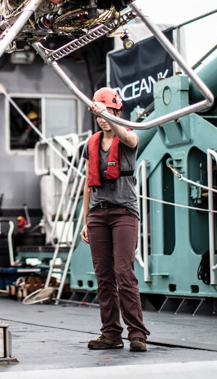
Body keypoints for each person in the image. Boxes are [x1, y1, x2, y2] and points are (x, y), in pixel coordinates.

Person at [79, 87, 149, 352]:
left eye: (107, 112)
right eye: (98, 114)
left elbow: (128, 138)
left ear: (118, 111)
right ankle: (110, 334)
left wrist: (111, 119)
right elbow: (88, 184)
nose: (101, 118)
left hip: (124, 213)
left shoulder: (130, 137)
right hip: (98, 213)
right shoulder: (91, 144)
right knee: (104, 276)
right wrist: (86, 219)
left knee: (124, 272)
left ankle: (137, 334)